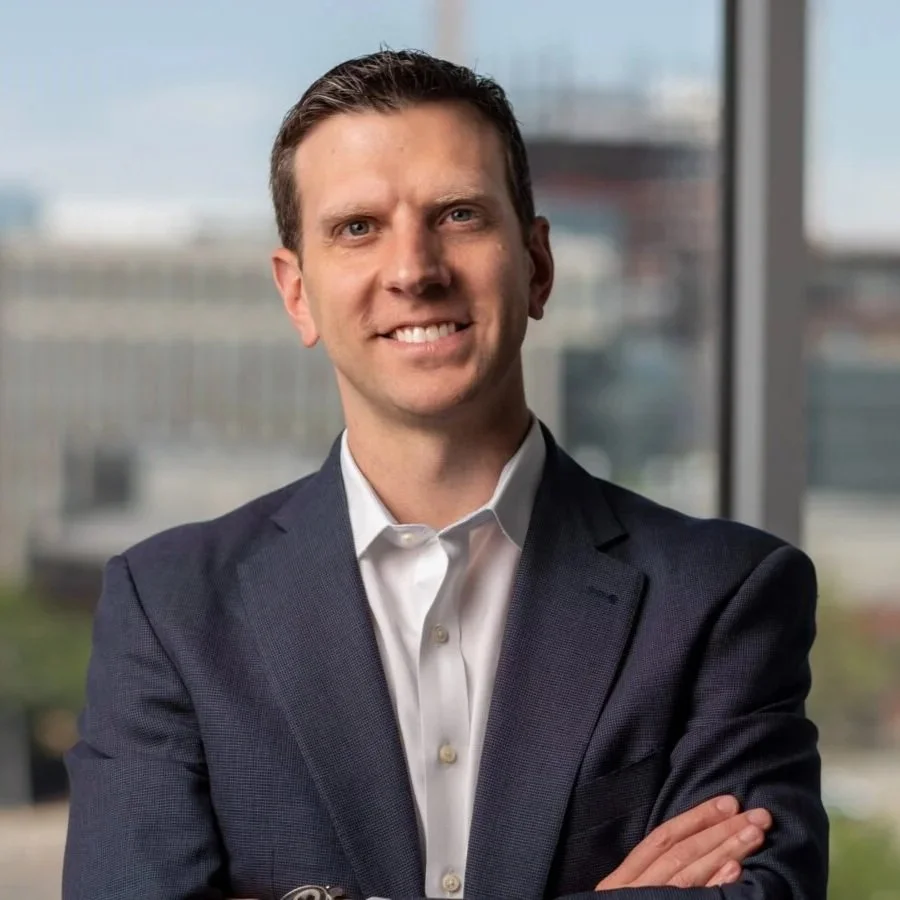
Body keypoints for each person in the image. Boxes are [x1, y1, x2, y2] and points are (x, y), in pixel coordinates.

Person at [62, 50, 828, 900]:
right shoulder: (169, 610)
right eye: (358, 228)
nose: (414, 271)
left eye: (459, 215)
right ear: (297, 293)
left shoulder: (721, 596)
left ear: (537, 265)